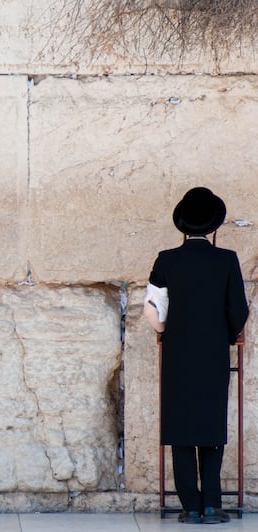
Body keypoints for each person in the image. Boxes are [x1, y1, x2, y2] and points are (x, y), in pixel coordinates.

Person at [144, 187, 249, 525]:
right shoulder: (227, 259)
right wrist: (230, 333)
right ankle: (212, 504)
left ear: (182, 225)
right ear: (214, 225)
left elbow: (153, 307)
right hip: (214, 350)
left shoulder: (166, 259)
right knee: (210, 422)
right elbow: (239, 309)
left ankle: (189, 504)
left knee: (182, 424)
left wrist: (163, 330)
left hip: (177, 350)